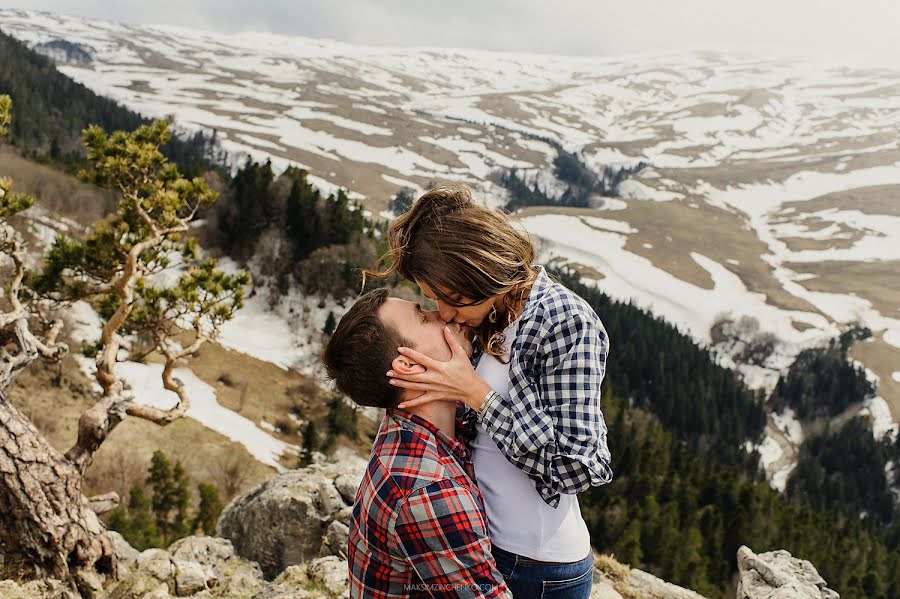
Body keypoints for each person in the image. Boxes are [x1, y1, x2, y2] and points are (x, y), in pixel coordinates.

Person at [372, 183, 612, 599]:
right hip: (478, 543)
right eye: (431, 299)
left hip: (538, 565)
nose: (444, 314)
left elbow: (580, 464)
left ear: (480, 272)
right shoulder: (484, 314)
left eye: (451, 299)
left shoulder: (565, 323)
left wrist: (479, 396)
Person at [323, 288, 511, 599]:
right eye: (424, 317)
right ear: (408, 366)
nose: (445, 314)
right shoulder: (429, 490)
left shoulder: (407, 426)